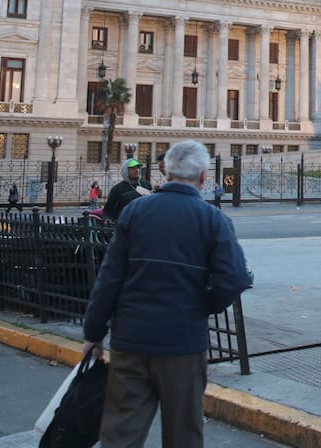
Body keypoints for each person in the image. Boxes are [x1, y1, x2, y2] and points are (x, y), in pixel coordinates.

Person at [83, 140, 251, 448]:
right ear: (203, 177)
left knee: (121, 432)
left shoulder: (135, 211)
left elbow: (109, 277)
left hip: (131, 339)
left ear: (166, 172)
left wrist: (93, 332)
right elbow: (235, 278)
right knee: (183, 433)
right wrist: (205, 305)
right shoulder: (212, 219)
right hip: (183, 343)